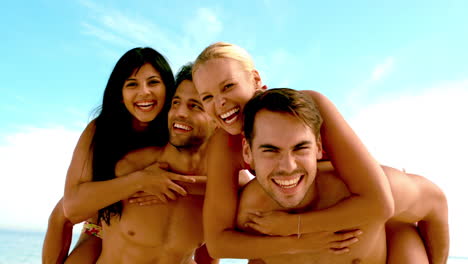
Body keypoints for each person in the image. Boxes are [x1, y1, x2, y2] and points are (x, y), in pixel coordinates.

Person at [191, 42, 393, 259]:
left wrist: (295, 225)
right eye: (207, 97)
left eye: (228, 86)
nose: (220, 102)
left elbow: (380, 203)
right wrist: (298, 243)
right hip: (301, 217)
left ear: (256, 80)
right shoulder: (224, 143)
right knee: (251, 205)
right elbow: (218, 243)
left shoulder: (308, 106)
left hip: (367, 212)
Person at [236, 88, 449, 264]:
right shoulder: (251, 217)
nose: (288, 166)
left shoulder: (365, 192)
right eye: (270, 150)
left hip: (393, 246)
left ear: (318, 147)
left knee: (406, 238)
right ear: (248, 152)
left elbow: (435, 201)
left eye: (300, 148)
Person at [43, 47, 196, 263]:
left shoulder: (178, 131)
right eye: (132, 84)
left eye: (153, 82)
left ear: (168, 88)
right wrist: (140, 180)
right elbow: (69, 210)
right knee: (62, 216)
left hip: (143, 230)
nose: (144, 92)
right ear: (121, 95)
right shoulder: (101, 130)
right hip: (100, 223)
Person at [95, 63, 219, 263]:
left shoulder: (222, 187)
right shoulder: (130, 166)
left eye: (195, 106)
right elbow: (66, 213)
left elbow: (211, 252)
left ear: (218, 120)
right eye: (175, 103)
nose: (180, 113)